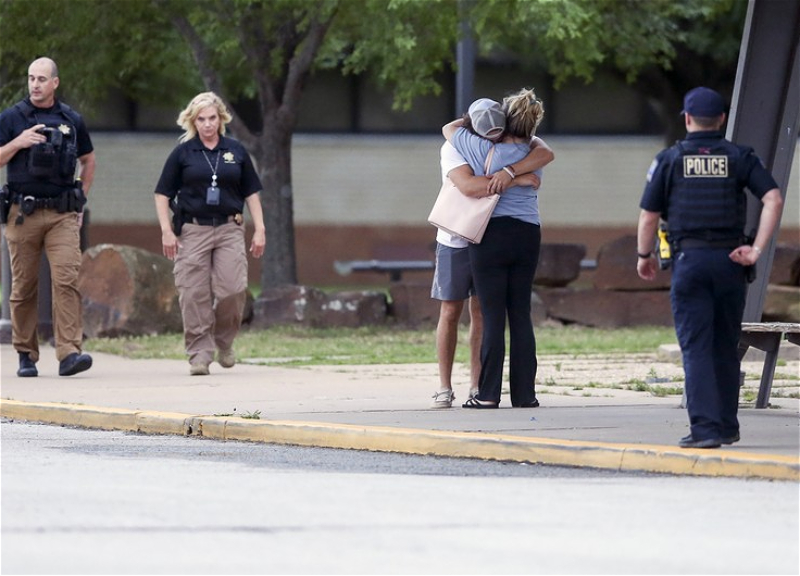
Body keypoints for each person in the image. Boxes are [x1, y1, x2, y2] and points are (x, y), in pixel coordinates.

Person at [636, 86, 783, 449]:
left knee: (697, 347)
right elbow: (773, 198)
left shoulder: (669, 159)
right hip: (731, 262)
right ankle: (727, 425)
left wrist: (645, 256)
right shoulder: (739, 156)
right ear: (721, 119)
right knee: (725, 345)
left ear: (687, 119)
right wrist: (756, 249)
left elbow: (649, 215)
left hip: (690, 262)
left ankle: (705, 429)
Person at [430, 99, 553, 409]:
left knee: (491, 315)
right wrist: (516, 176)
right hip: (521, 233)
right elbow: (546, 153)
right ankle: (524, 395)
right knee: (519, 315)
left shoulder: (476, 146)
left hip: (491, 234)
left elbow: (448, 129)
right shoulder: (530, 150)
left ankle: (486, 393)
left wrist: (506, 174)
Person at [154, 92, 266, 376]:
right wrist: (167, 231)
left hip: (230, 227)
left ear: (221, 119)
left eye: (212, 118)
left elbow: (251, 192)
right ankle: (199, 354)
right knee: (193, 293)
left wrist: (260, 229)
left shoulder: (236, 151)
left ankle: (224, 343)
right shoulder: (183, 153)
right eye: (201, 119)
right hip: (193, 229)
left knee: (233, 289)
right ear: (193, 121)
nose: (207, 124)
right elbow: (162, 194)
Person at [0, 57, 96, 377]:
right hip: (22, 213)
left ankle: (69, 352)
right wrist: (19, 141)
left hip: (62, 213)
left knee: (66, 279)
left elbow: (88, 159)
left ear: (55, 82)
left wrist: (80, 197)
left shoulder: (71, 118)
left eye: (42, 79)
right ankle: (26, 354)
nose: (35, 84)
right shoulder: (12, 117)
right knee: (24, 286)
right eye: (31, 78)